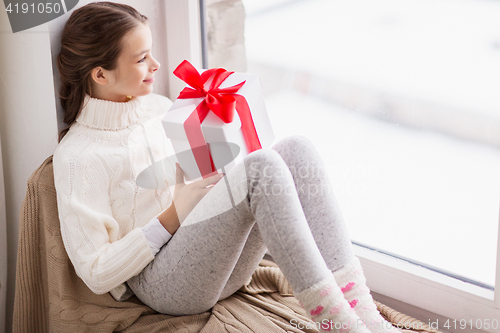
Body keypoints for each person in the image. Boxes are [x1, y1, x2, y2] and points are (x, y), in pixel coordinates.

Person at [53, 2, 400, 333]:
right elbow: (96, 272)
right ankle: (338, 323)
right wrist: (173, 216)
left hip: (213, 261)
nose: (157, 65)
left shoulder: (159, 108)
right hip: (160, 284)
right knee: (261, 167)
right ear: (101, 74)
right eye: (142, 58)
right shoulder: (79, 157)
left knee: (296, 149)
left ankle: (364, 313)